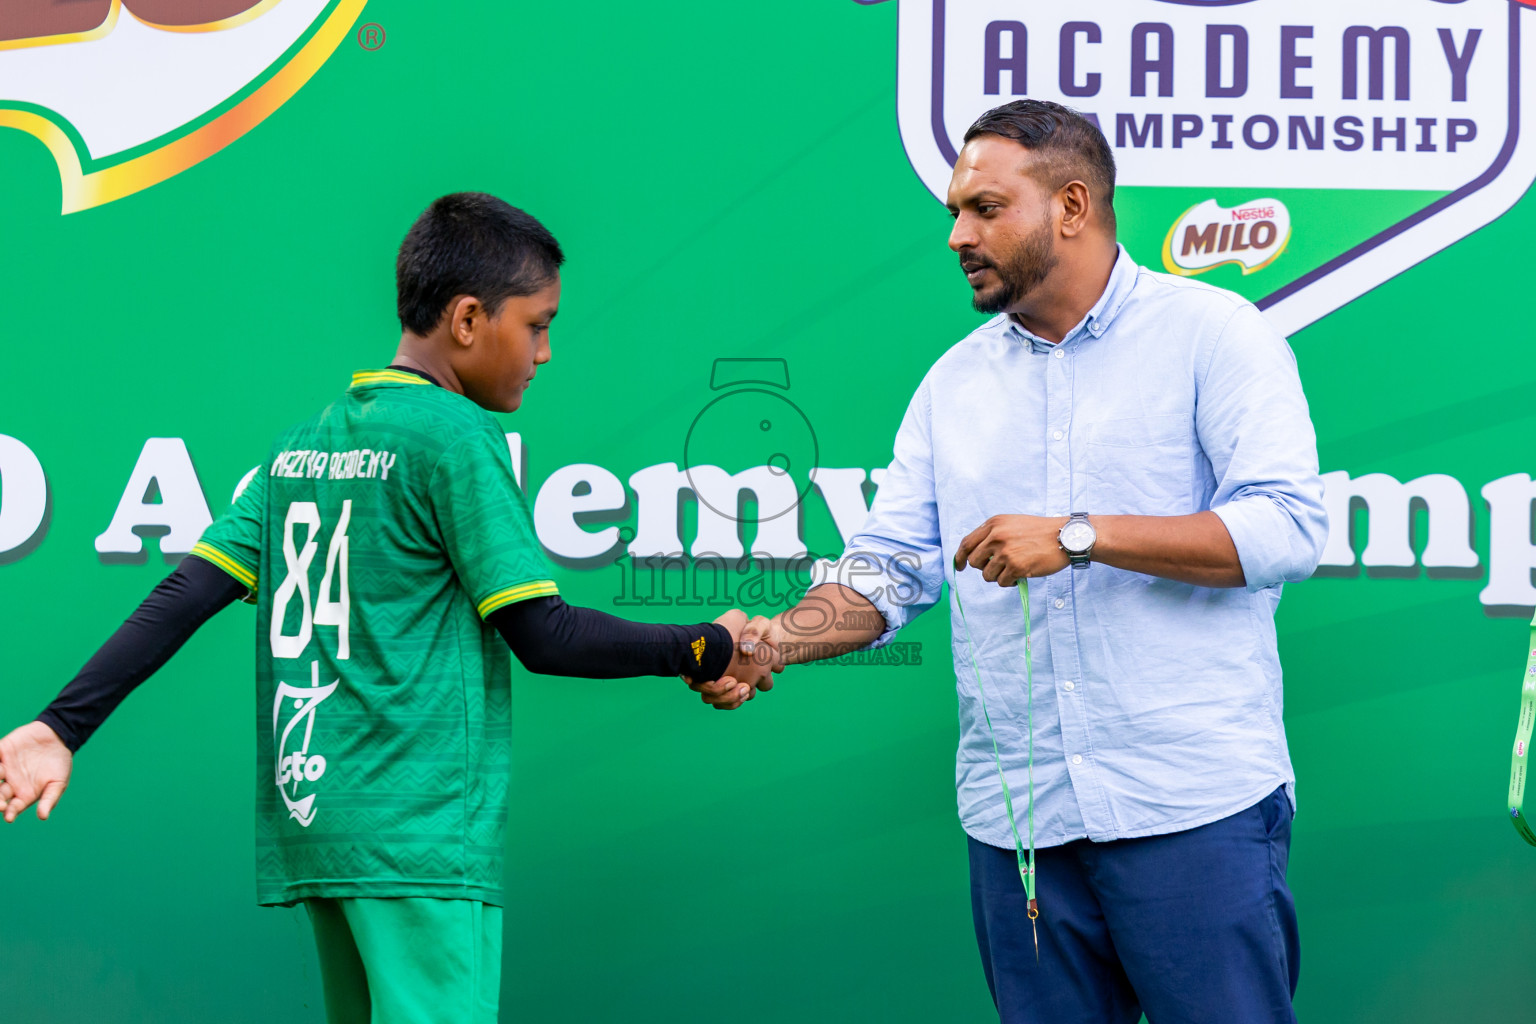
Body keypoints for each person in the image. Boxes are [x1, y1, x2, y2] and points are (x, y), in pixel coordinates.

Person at [0, 192, 776, 1024]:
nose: (546, 352)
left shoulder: (305, 444)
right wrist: (705, 645)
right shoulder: (452, 440)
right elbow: (543, 634)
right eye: (538, 324)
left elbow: (186, 593)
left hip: (324, 837)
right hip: (420, 841)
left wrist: (61, 726)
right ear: (470, 319)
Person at [718, 100, 1328, 1023]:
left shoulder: (1215, 333)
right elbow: (890, 567)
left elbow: (1285, 529)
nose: (958, 234)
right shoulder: (952, 383)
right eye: (955, 212)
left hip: (1191, 810)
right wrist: (777, 641)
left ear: (1073, 206)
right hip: (1021, 829)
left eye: (986, 209)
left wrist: (1079, 535)